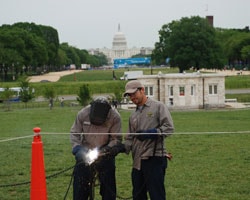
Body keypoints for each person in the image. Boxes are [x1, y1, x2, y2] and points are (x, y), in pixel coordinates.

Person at [123, 80, 174, 200]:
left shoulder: (158, 107)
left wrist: (151, 133)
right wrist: (118, 148)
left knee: (157, 195)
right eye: (129, 95)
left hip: (154, 158)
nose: (132, 97)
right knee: (138, 195)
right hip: (137, 161)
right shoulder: (133, 115)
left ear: (142, 90)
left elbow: (169, 128)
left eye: (133, 93)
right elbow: (130, 138)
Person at [70, 96, 124, 200]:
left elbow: (116, 138)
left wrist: (107, 149)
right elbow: (74, 133)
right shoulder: (83, 113)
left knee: (109, 188)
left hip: (105, 154)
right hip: (85, 153)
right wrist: (77, 149)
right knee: (80, 186)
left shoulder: (114, 116)